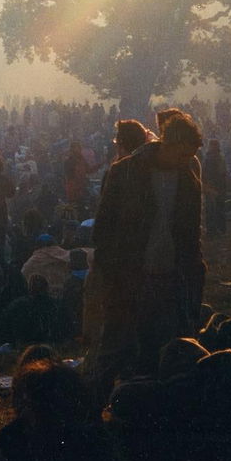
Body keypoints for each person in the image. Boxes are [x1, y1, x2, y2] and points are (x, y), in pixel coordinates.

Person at [81, 109, 206, 406]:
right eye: (184, 154)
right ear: (170, 144)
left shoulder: (189, 181)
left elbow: (190, 239)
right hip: (127, 276)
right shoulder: (125, 172)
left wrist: (194, 276)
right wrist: (109, 272)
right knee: (114, 347)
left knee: (157, 350)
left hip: (168, 277)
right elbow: (104, 228)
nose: (188, 161)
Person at [201, 138, 229, 237]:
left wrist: (208, 186)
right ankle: (221, 229)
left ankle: (212, 231)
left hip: (212, 187)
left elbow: (205, 174)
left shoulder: (209, 158)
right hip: (218, 187)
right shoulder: (220, 157)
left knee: (212, 210)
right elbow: (223, 173)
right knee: (219, 209)